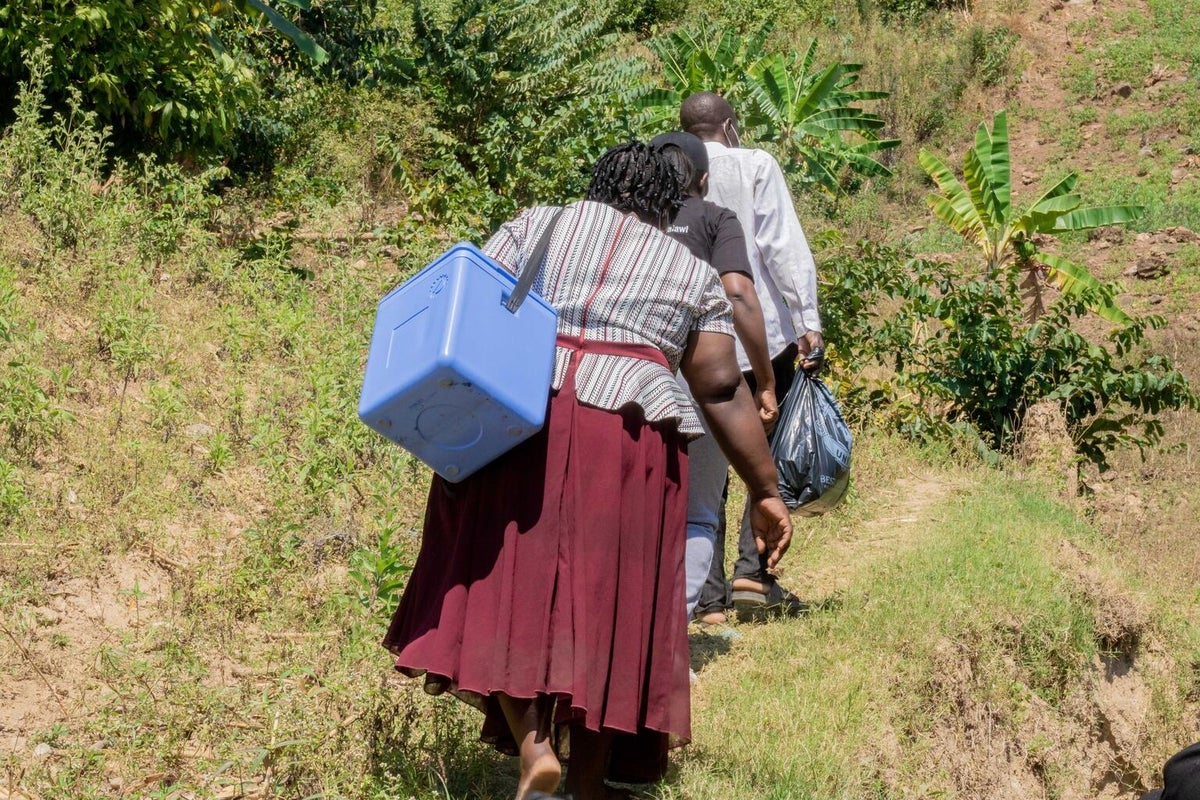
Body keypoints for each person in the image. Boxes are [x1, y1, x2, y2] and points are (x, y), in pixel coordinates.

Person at [381, 141, 793, 800]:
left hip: (519, 419)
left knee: (499, 582)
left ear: (598, 185)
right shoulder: (687, 270)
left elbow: (469, 303)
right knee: (613, 608)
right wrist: (765, 490)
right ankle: (590, 784)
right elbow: (718, 386)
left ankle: (535, 747)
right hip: (626, 438)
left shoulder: (535, 224)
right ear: (667, 208)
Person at [681, 91, 826, 622]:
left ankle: (709, 596)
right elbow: (781, 246)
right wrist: (807, 319)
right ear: (731, 127)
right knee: (758, 456)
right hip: (756, 337)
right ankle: (753, 572)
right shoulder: (754, 164)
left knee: (704, 460)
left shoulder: (666, 168)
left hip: (692, 341)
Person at [648, 131, 778, 623]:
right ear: (704, 179)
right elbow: (740, 295)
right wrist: (763, 379)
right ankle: (672, 638)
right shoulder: (715, 218)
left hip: (625, 374)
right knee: (698, 510)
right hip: (696, 378)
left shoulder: (633, 220)